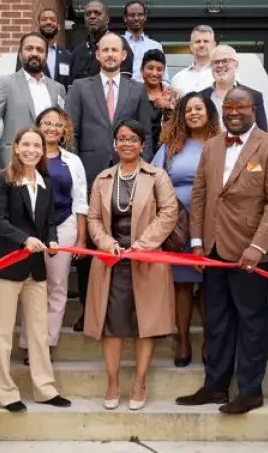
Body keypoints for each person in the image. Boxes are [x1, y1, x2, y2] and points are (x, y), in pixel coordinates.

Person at [176, 87, 268, 414]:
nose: (234, 112)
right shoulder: (212, 146)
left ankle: (250, 390)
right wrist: (197, 242)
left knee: (251, 322)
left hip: (249, 253)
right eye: (228, 107)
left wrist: (258, 246)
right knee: (216, 320)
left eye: (241, 106)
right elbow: (199, 195)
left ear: (254, 108)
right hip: (212, 250)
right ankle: (215, 386)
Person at [84, 119, 178, 411]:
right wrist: (105, 243)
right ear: (115, 144)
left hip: (146, 259)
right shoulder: (102, 178)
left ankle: (139, 382)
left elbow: (169, 212)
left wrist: (142, 245)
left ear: (142, 144)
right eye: (121, 138)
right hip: (112, 260)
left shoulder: (157, 175)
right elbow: (94, 218)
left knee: (144, 324)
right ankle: (112, 382)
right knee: (111, 325)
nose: (126, 143)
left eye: (133, 139)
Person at [66, 33, 154, 332]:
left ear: (124, 55)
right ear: (98, 55)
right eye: (105, 50)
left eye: (115, 49)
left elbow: (148, 135)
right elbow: (71, 132)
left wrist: (146, 171)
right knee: (93, 241)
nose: (110, 54)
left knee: (123, 239)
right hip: (91, 175)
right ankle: (88, 310)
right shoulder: (80, 87)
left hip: (129, 174)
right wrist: (75, 168)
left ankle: (124, 309)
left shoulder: (137, 90)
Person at [0, 126, 72, 412]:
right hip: (7, 266)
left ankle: (45, 389)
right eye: (26, 145)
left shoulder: (45, 181)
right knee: (2, 332)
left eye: (37, 145)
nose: (32, 150)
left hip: (36, 269)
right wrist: (24, 239)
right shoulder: (2, 180)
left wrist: (53, 241)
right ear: (17, 147)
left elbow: (49, 223)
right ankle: (6, 393)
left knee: (38, 331)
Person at [152, 92, 220, 367]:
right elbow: (155, 179)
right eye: (188, 109)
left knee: (209, 285)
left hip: (214, 222)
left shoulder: (222, 144)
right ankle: (182, 340)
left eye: (198, 108)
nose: (193, 113)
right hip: (178, 223)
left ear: (209, 112)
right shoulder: (171, 146)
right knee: (182, 285)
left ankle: (209, 340)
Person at [19, 108, 88, 363]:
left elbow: (81, 201)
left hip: (63, 226)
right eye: (46, 123)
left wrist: (81, 239)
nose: (52, 128)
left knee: (57, 287)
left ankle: (47, 343)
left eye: (57, 125)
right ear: (38, 126)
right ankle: (29, 343)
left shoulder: (73, 161)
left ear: (64, 131)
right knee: (33, 286)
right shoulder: (28, 155)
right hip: (31, 230)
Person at [0, 32, 66, 171]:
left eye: (40, 50)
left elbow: (62, 126)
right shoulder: (5, 84)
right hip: (15, 162)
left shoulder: (58, 88)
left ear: (45, 56)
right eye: (29, 48)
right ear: (20, 53)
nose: (34, 53)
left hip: (48, 162)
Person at [200, 44, 268, 132]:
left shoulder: (254, 96)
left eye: (225, 61)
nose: (220, 65)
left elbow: (263, 134)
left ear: (236, 65)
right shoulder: (199, 97)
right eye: (216, 62)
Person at [69, 0, 134, 81]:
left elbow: (124, 82)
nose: (92, 16)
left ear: (107, 19)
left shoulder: (119, 43)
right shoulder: (77, 52)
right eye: (88, 14)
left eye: (97, 13)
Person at [16, 8, 73, 89]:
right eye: (44, 19)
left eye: (52, 20)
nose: (48, 22)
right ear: (38, 26)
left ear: (58, 27)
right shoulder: (27, 53)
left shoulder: (68, 56)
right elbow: (19, 79)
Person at [122, 0, 169, 84]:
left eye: (140, 15)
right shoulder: (116, 43)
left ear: (145, 17)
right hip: (121, 94)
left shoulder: (155, 46)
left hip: (147, 95)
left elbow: (164, 79)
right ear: (125, 18)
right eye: (132, 15)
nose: (136, 18)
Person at [140, 49, 177, 151]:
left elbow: (181, 122)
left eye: (159, 69)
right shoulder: (134, 94)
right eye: (150, 68)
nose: (154, 73)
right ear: (142, 71)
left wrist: (170, 107)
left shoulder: (172, 94)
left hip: (166, 150)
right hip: (140, 150)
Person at [170, 25, 216, 97]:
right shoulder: (178, 78)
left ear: (214, 45)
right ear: (191, 46)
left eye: (206, 41)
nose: (202, 45)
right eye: (198, 41)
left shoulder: (224, 75)